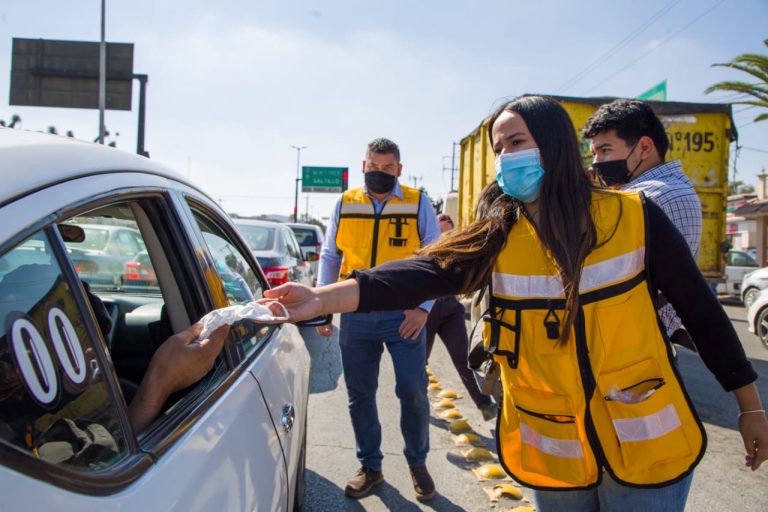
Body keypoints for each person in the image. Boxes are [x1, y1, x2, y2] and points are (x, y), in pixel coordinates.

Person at [264, 96, 768, 512]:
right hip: (556, 451)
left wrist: (749, 407)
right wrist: (320, 298)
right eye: (499, 146)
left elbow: (704, 315)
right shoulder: (498, 235)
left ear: (554, 147)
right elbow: (418, 273)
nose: (505, 156)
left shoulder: (636, 218)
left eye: (517, 142)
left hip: (648, 447)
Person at [314, 137, 441, 501]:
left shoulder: (418, 202)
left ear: (399, 169)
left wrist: (424, 309)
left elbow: (437, 257)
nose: (381, 173)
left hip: (405, 314)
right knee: (360, 395)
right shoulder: (345, 202)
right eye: (375, 166)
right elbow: (330, 255)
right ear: (364, 166)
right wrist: (324, 305)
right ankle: (371, 467)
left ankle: (417, 463)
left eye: (389, 168)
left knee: (413, 391)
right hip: (356, 313)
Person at [582, 99, 701, 351]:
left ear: (644, 147)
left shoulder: (652, 196)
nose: (596, 162)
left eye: (605, 150)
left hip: (635, 343)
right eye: (594, 153)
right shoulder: (668, 188)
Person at [425, 213, 497, 420]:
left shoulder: (458, 248)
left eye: (449, 231)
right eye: (440, 230)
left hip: (450, 310)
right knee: (418, 362)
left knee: (463, 359)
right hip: (425, 313)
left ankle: (484, 405)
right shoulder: (423, 247)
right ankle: (417, 404)